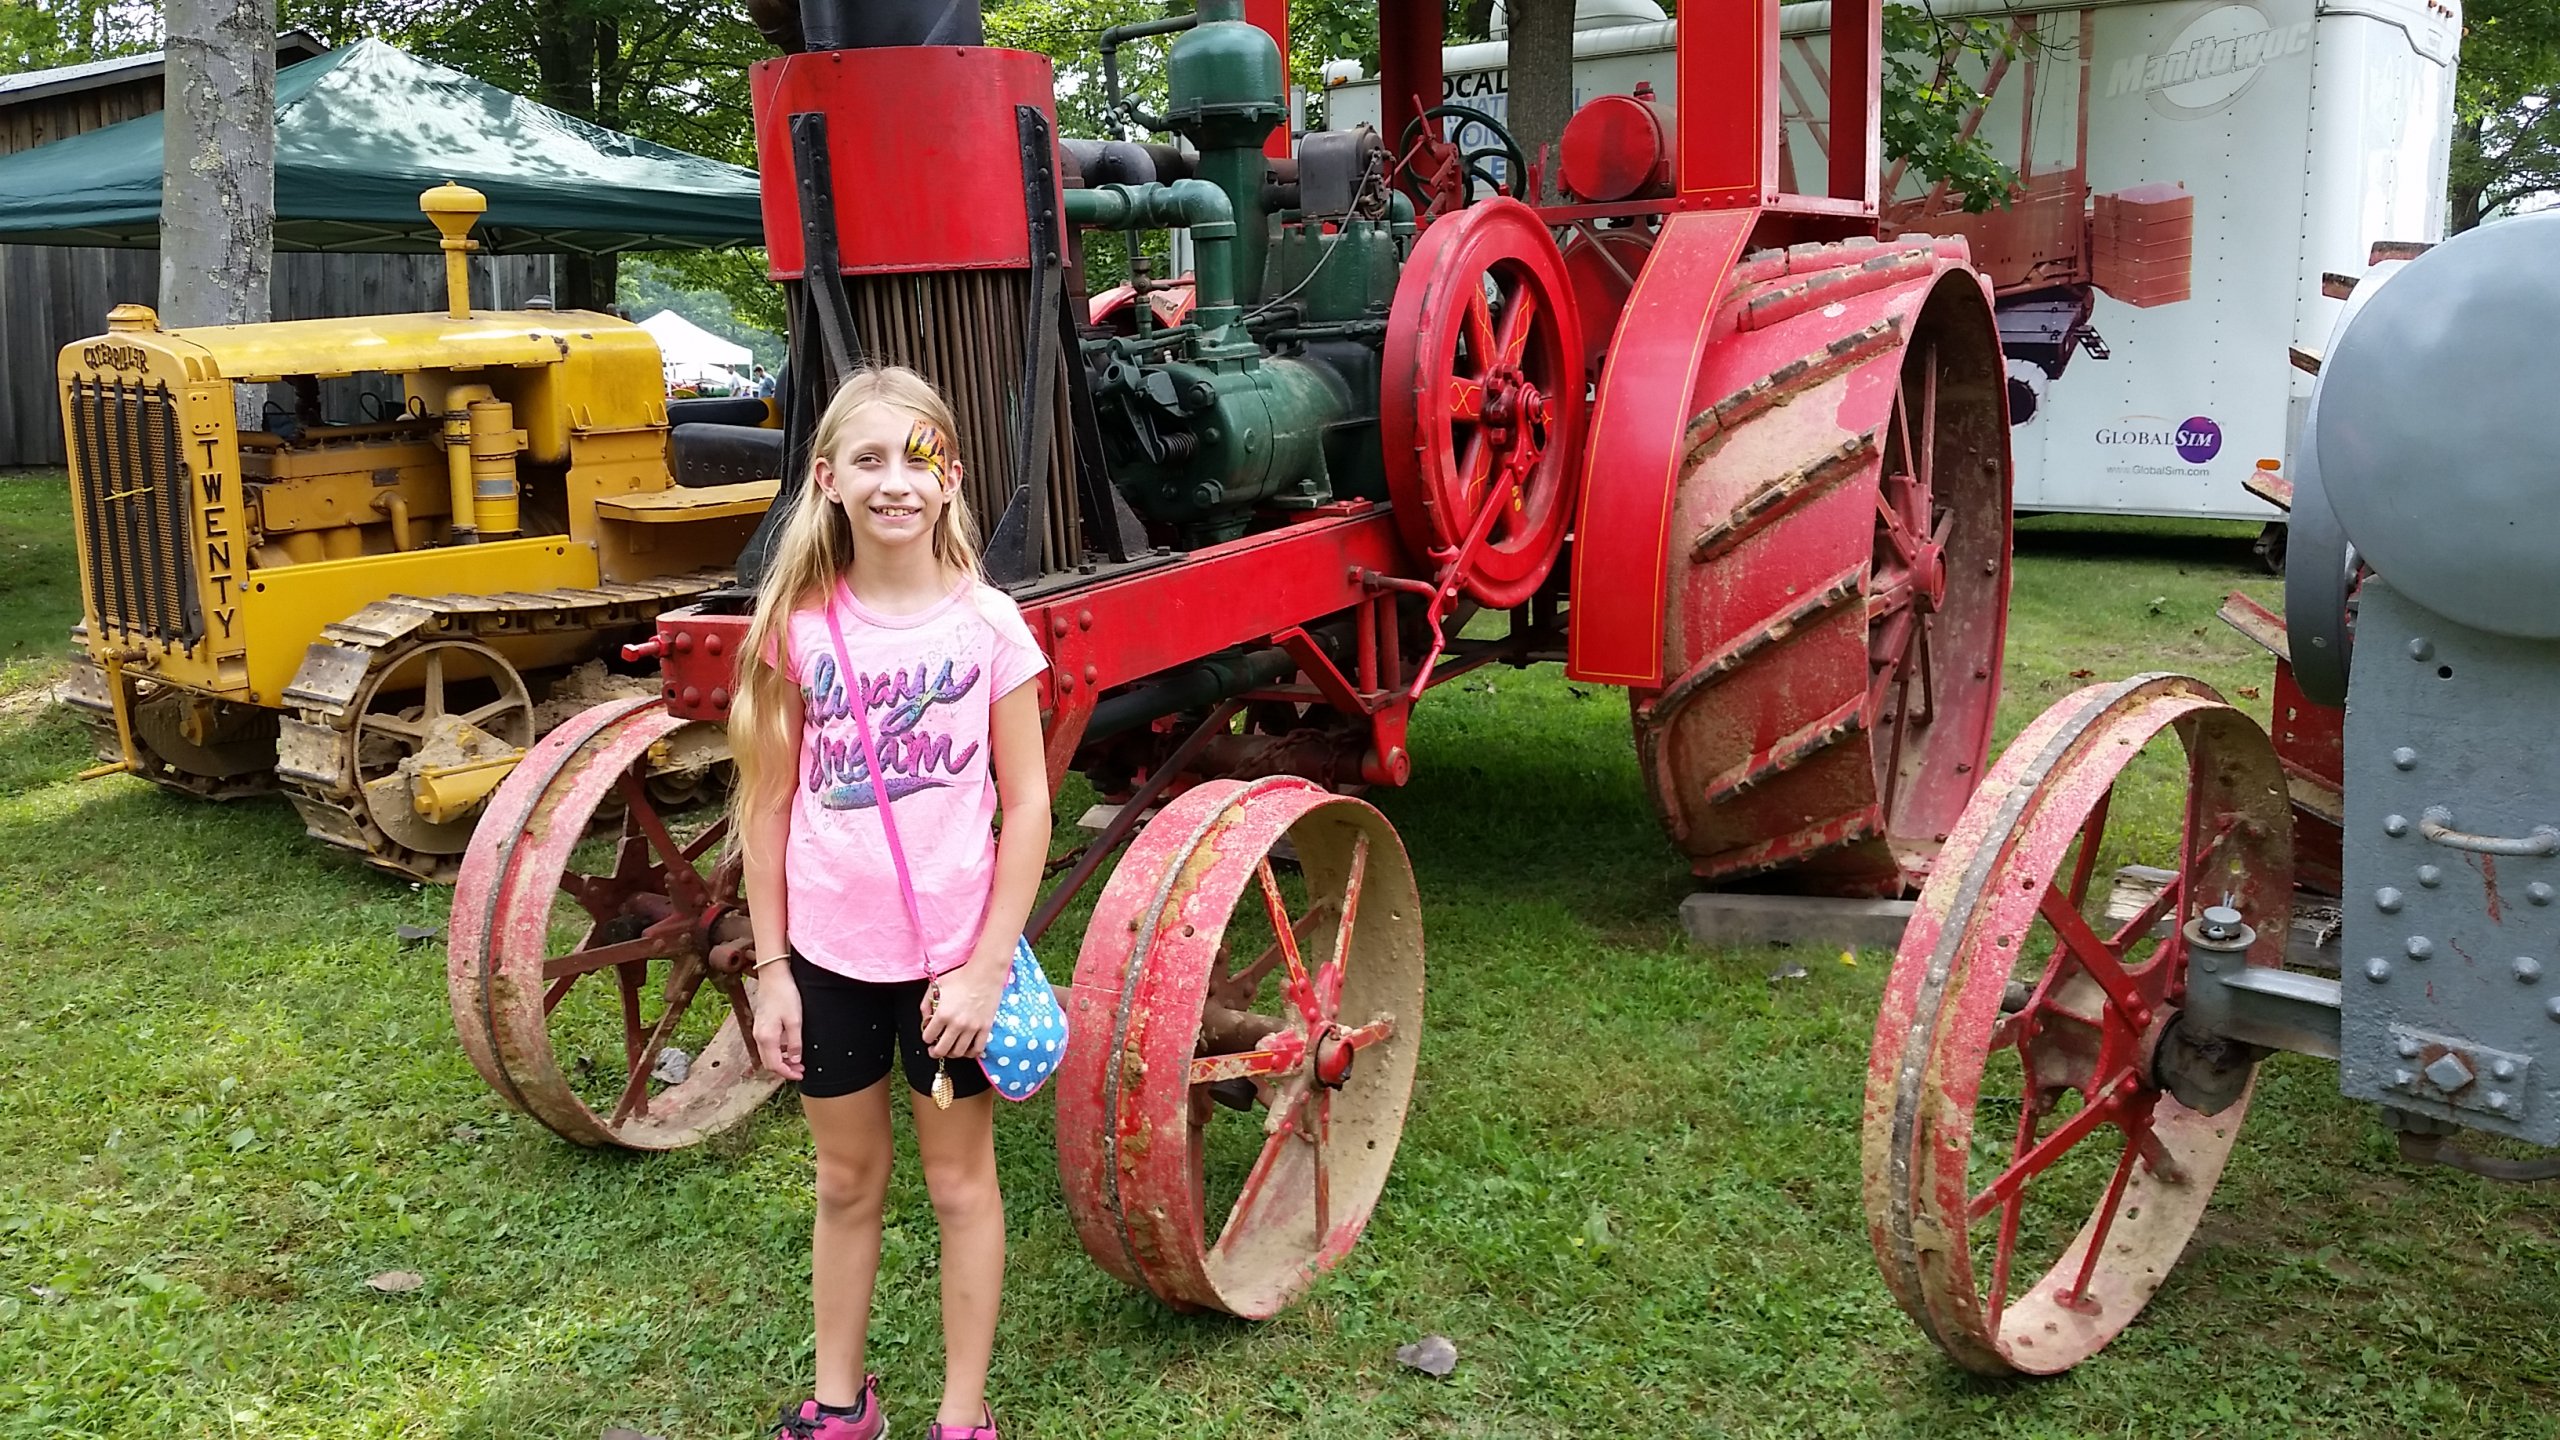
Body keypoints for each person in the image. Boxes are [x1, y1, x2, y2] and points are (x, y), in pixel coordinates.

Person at [732, 367, 1050, 1440]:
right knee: (843, 1179)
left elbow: (1031, 804)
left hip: (949, 976)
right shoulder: (803, 631)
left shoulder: (990, 629)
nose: (893, 482)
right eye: (867, 459)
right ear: (825, 479)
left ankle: (962, 1417)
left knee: (960, 1188)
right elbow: (768, 806)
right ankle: (840, 1403)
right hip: (827, 963)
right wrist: (772, 970)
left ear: (951, 478)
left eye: (916, 458)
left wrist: (984, 968)